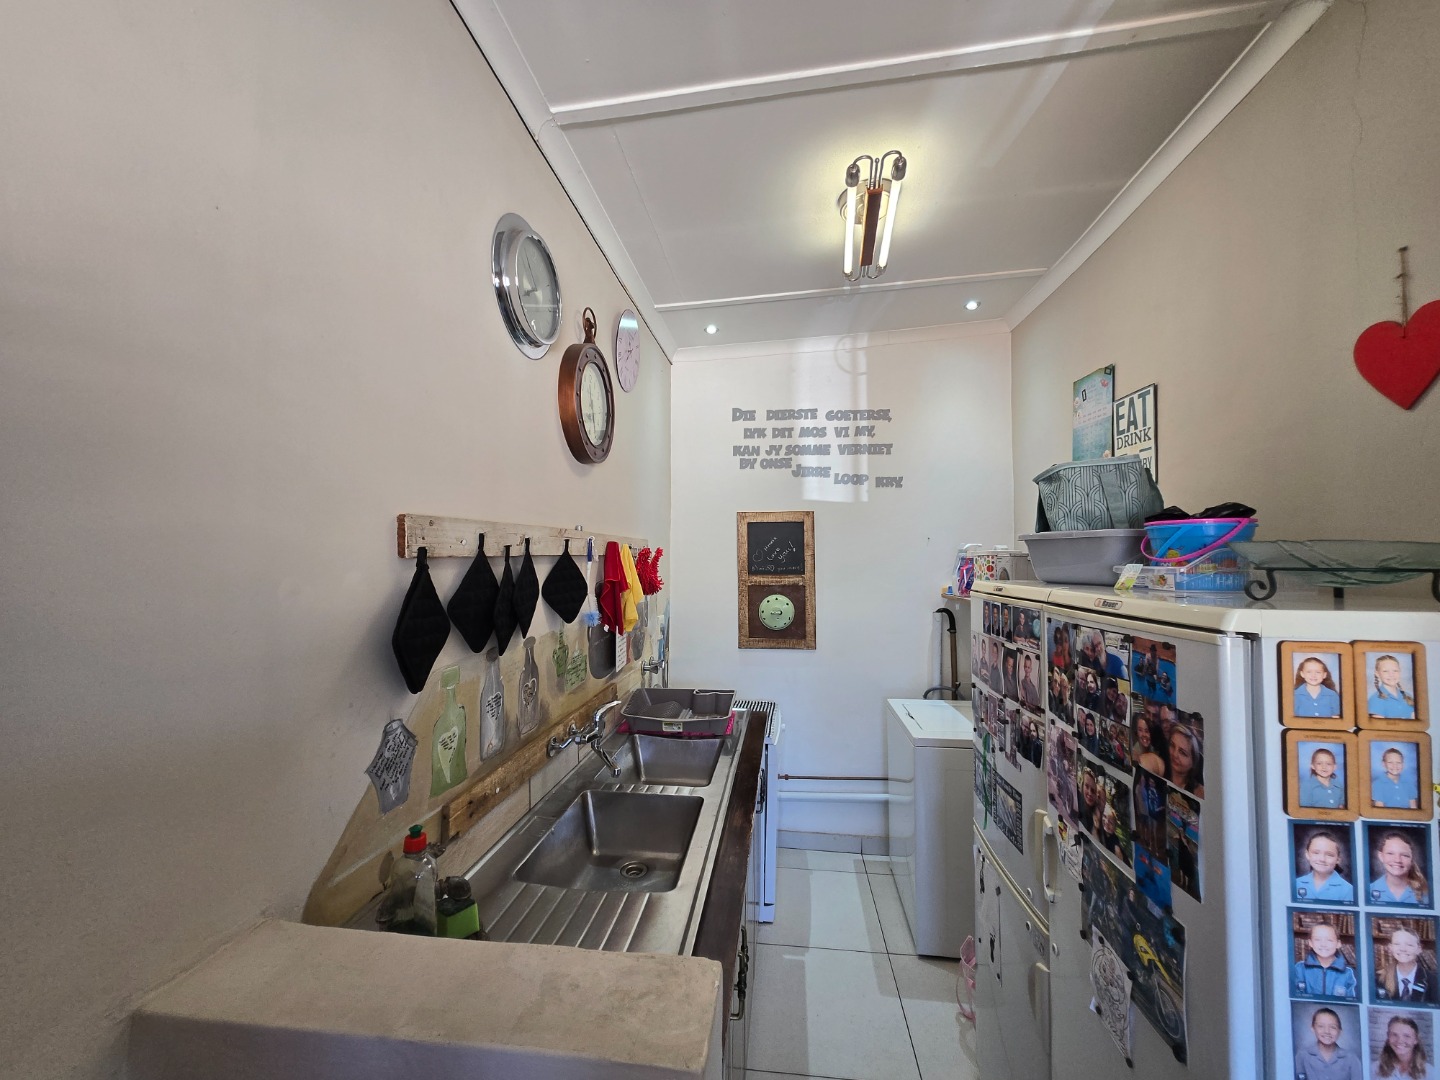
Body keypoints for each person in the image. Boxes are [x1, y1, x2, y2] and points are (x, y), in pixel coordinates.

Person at [1292, 921, 1358, 999]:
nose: (1323, 944)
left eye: (1329, 940)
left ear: (1338, 944)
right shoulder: (1299, 968)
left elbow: (1352, 1001)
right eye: (1317, 939)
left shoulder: (1349, 973)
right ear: (1310, 943)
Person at [1294, 1006, 1362, 1080]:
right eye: (1321, 1026)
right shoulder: (1302, 1056)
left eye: (1333, 1027)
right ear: (1313, 1029)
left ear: (1340, 1031)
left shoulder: (1351, 1059)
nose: (1327, 1031)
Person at [1377, 929, 1438, 1005]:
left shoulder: (1434, 980)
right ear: (1390, 948)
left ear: (1419, 949)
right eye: (1397, 944)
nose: (1403, 949)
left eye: (1409, 945)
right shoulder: (1379, 979)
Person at [1370, 832, 1430, 906]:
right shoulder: (1368, 891)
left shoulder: (1428, 893)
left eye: (1405, 855)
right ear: (1381, 856)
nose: (1397, 860)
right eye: (1390, 853)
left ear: (1412, 859)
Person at [1296, 830, 1356, 903]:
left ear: (1338, 859)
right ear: (1307, 854)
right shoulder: (1296, 883)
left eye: (1329, 855)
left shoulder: (1348, 890)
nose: (1322, 859)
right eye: (1316, 853)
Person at [1374, 1014, 1432, 1079]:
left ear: (1416, 1040)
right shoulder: (1375, 1068)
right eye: (1394, 1034)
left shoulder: (1430, 1072)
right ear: (1388, 1037)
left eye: (1407, 1036)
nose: (1399, 1041)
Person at [1369, 655, 1418, 720]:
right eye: (1385, 671)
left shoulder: (1408, 696)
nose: (1391, 674)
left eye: (1395, 670)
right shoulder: (1375, 700)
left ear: (1400, 671)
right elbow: (1379, 725)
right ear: (1377, 674)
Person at [1168, 724, 1206, 798]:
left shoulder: (1199, 793)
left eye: (1182, 752)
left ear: (1193, 762)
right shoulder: (1160, 770)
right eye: (1172, 745)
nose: (1175, 754)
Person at [1133, 710, 1166, 775]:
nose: (1144, 734)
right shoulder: (1134, 755)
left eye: (1147, 731)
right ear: (1136, 732)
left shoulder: (1157, 752)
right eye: (1140, 730)